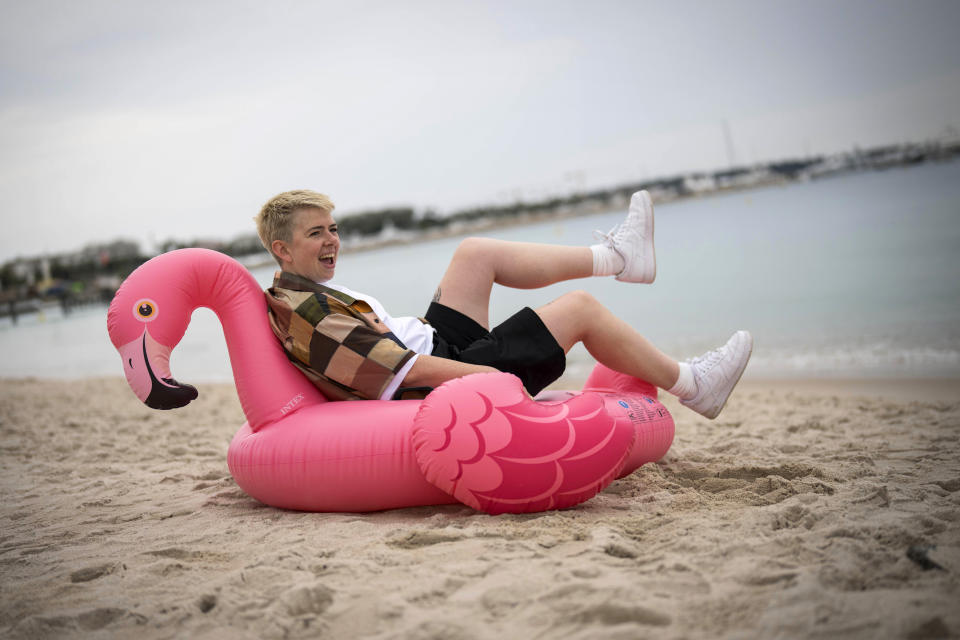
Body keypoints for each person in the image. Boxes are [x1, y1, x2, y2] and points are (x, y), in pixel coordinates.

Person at [255, 189, 752, 418]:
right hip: (439, 377)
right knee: (579, 308)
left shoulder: (304, 295)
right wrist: (502, 381)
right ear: (281, 249)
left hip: (437, 344)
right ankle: (694, 386)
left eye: (334, 230)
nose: (332, 241)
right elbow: (403, 373)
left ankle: (618, 258)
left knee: (474, 253)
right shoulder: (309, 312)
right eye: (316, 233)